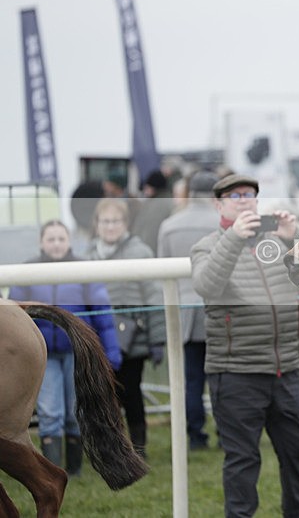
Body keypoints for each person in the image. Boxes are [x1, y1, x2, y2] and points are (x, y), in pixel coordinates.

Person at [190, 173, 299, 518]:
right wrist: (232, 239)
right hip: (236, 373)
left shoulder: (273, 243)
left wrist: (294, 239)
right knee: (243, 464)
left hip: (286, 370)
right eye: (235, 195)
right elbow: (206, 285)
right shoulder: (206, 245)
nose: (244, 200)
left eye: (250, 195)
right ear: (219, 204)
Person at [8, 220, 122, 476]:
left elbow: (102, 315)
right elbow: (15, 315)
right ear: (41, 242)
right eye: (51, 239)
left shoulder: (83, 271)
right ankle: (53, 469)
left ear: (69, 241)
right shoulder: (26, 272)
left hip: (76, 354)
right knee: (50, 412)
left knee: (73, 411)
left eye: (61, 238)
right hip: (42, 356)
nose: (57, 244)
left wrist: (111, 353)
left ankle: (74, 470)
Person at [86, 198, 166, 458]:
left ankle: (138, 449)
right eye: (105, 221)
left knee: (131, 393)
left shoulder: (140, 252)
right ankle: (112, 450)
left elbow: (154, 297)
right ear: (97, 224)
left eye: (116, 221)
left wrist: (157, 339)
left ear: (125, 223)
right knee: (103, 396)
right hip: (98, 338)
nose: (110, 227)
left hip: (133, 338)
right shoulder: (86, 256)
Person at [157, 171, 220, 450]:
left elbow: (163, 270)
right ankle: (225, 434)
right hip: (217, 306)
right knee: (221, 377)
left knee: (191, 378)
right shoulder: (222, 222)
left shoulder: (170, 225)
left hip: (183, 308)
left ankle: (196, 435)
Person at [132, 169, 175, 253]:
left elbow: (138, 230)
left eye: (147, 187)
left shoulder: (147, 205)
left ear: (153, 188)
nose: (145, 191)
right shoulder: (172, 203)